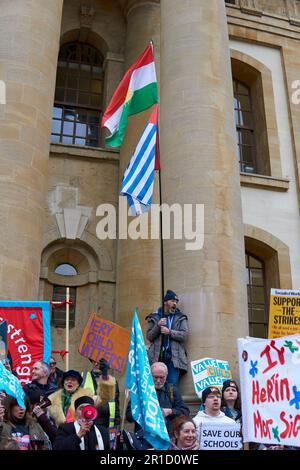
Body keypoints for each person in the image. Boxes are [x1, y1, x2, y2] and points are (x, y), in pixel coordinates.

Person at [126, 362, 189, 434]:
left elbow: (185, 412)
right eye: (155, 377)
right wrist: (145, 412)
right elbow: (129, 415)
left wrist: (170, 411)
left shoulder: (172, 390)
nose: (158, 381)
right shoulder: (141, 390)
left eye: (162, 377)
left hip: (166, 437)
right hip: (144, 437)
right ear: (150, 375)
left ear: (166, 376)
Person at [146, 290, 188, 386]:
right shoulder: (154, 317)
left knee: (171, 387)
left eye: (176, 302)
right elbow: (149, 337)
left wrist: (169, 332)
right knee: (155, 386)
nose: (175, 303)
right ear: (165, 302)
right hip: (157, 357)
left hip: (174, 358)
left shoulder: (181, 317)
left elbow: (184, 335)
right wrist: (158, 325)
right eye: (172, 301)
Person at [81, 358, 120, 430]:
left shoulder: (112, 381)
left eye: (99, 362)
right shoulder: (83, 378)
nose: (96, 364)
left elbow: (116, 406)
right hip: (88, 424)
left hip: (106, 424)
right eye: (94, 361)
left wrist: (117, 427)